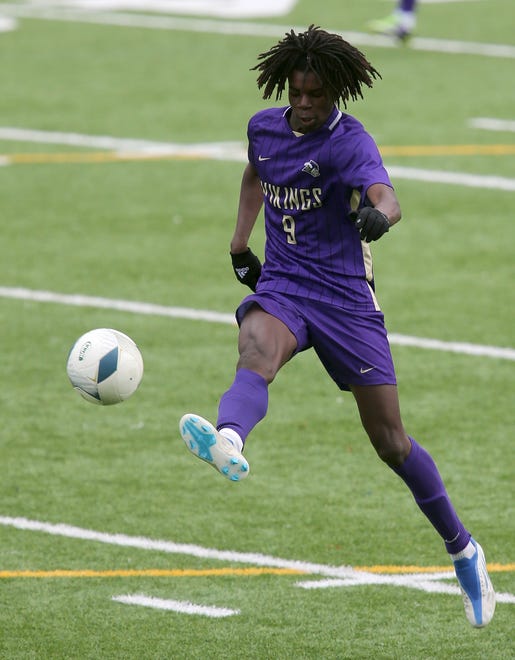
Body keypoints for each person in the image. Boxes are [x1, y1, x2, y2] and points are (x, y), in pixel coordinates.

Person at [179, 25, 495, 627]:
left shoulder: (349, 143)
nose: (303, 105)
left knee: (391, 443)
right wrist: (240, 244)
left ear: (336, 95)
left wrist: (380, 216)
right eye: (296, 93)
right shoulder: (263, 128)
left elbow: (387, 194)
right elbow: (254, 175)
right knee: (255, 350)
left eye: (316, 96)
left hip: (346, 299)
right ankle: (229, 440)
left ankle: (463, 549)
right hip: (287, 285)